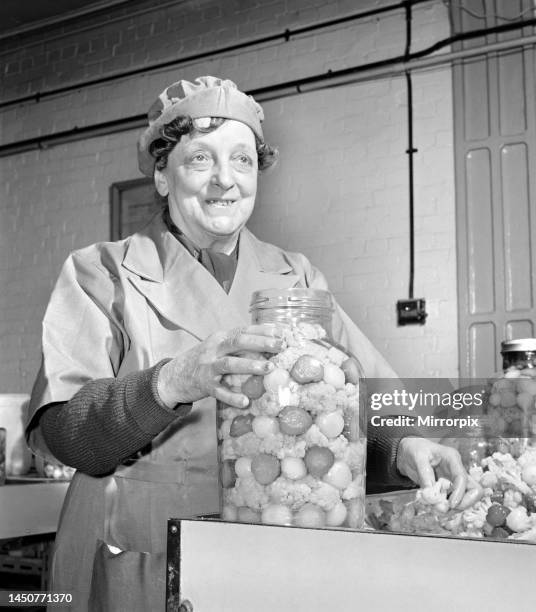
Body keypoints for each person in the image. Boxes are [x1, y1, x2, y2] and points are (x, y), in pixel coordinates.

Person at [26, 76, 480, 611]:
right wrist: (171, 381)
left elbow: (353, 413)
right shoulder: (101, 273)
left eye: (242, 160)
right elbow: (63, 434)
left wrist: (404, 448)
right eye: (200, 159)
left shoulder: (298, 280)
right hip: (135, 558)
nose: (225, 179)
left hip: (270, 556)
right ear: (162, 175)